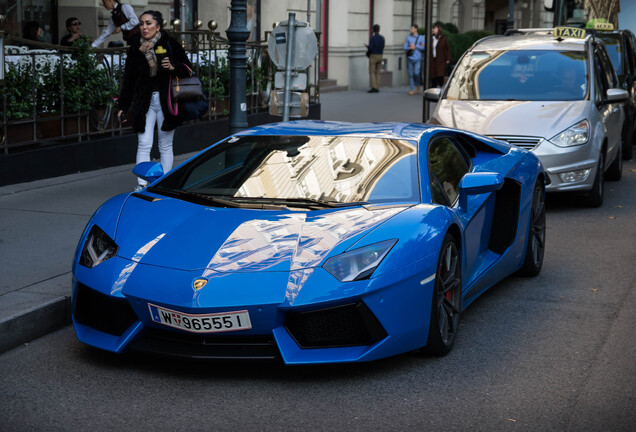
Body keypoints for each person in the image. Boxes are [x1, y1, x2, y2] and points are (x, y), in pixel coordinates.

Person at [116, 10, 193, 191]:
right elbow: (129, 79)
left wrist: (173, 66)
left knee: (165, 145)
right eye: (142, 23)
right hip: (144, 101)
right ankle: (142, 184)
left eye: (148, 23)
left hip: (167, 101)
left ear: (158, 26)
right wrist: (123, 105)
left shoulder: (170, 43)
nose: (144, 27)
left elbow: (188, 68)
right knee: (144, 143)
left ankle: (164, 183)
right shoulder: (136, 47)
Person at [403, 24, 425, 95]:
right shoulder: (408, 38)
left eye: (412, 28)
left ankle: (418, 86)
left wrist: (416, 46)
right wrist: (410, 47)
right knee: (411, 74)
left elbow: (424, 48)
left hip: (418, 58)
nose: (410, 29)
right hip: (410, 58)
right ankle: (412, 89)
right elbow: (404, 47)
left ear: (416, 29)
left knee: (416, 73)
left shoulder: (421, 38)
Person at [365, 24, 385, 93]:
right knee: (378, 72)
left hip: (374, 55)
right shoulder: (382, 38)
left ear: (373, 30)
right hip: (380, 55)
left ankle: (374, 87)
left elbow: (371, 48)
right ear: (379, 30)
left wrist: (367, 46)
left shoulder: (372, 38)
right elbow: (383, 46)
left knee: (372, 72)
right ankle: (378, 87)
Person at [430, 24, 450, 88]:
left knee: (440, 74)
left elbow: (447, 48)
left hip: (441, 59)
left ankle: (440, 86)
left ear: (438, 30)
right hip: (433, 59)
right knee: (433, 74)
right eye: (433, 28)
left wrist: (448, 58)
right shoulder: (431, 38)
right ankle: (434, 87)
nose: (433, 30)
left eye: (435, 28)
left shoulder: (443, 39)